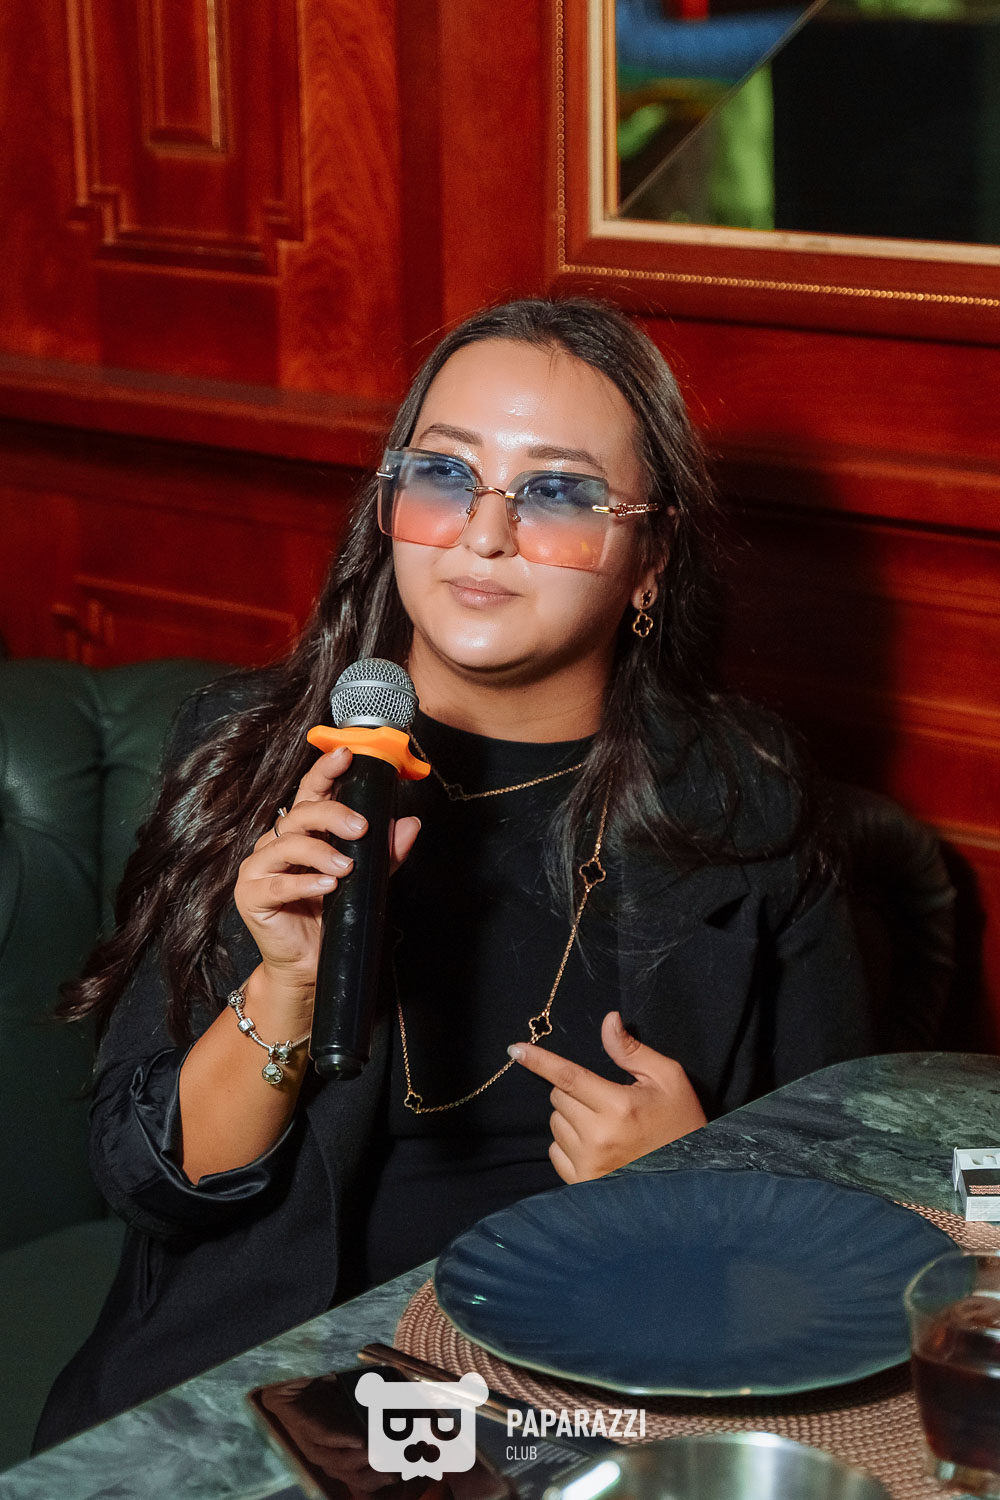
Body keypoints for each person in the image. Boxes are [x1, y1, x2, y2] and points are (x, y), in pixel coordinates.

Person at [35, 297, 872, 1449]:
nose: (483, 535)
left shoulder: (745, 801)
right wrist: (284, 987)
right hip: (255, 1402)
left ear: (650, 559)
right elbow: (150, 1180)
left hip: (581, 1396)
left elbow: (849, 1196)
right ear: (390, 507)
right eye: (443, 473)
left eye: (558, 492)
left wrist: (693, 1182)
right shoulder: (250, 757)